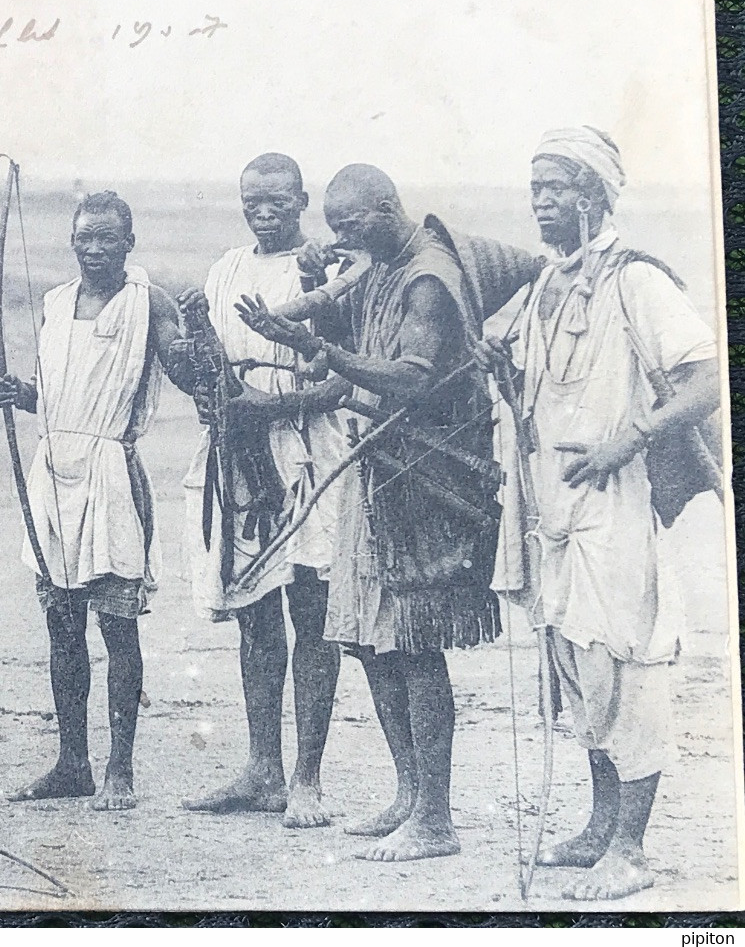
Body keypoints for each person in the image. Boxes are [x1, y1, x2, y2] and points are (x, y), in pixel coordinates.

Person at [237, 164, 539, 861]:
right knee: (371, 638)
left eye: (349, 226)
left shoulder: (427, 277)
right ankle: (408, 794)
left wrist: (318, 348)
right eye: (334, 227)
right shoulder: (377, 261)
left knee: (412, 641)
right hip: (377, 471)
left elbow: (410, 377)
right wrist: (313, 293)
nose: (341, 237)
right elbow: (352, 332)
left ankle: (435, 819)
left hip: (425, 478)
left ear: (386, 207)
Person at [487, 128, 720, 900]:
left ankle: (629, 849)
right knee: (577, 668)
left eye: (556, 186)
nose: (541, 200)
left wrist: (628, 441)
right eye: (534, 188)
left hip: (616, 510)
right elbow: (531, 390)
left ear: (595, 194)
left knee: (627, 666)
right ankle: (593, 829)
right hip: (550, 513)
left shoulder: (637, 282)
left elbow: (701, 383)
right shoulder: (542, 287)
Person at [0, 190, 191, 811]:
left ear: (128, 243)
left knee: (118, 626)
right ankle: (71, 762)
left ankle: (120, 770)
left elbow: (184, 370)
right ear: (72, 242)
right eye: (85, 239)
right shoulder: (55, 304)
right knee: (62, 627)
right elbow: (56, 397)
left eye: (108, 238)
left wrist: (194, 342)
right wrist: (18, 393)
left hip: (110, 472)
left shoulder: (148, 302)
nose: (96, 249)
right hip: (52, 474)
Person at [174, 154, 347, 827]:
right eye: (252, 199)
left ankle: (306, 778)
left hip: (306, 447)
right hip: (239, 454)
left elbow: (342, 381)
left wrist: (266, 408)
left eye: (277, 199)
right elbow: (208, 365)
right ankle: (260, 768)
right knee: (252, 609)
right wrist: (208, 387)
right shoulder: (227, 269)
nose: (263, 209)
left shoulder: (326, 271)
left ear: (301, 200)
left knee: (311, 606)